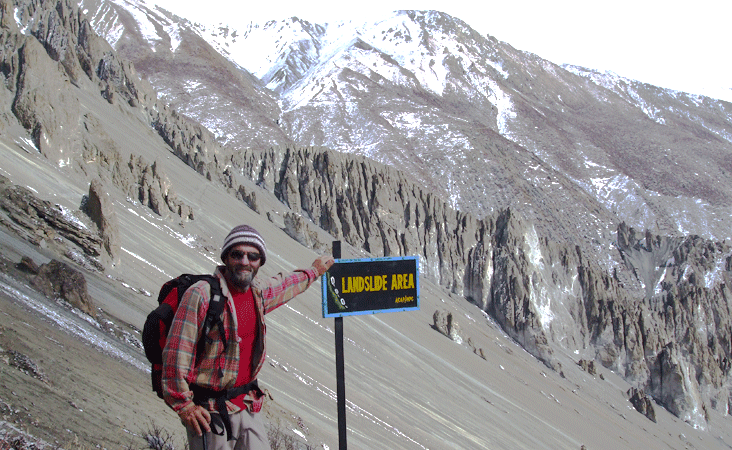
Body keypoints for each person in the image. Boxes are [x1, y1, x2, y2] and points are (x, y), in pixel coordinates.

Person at [161, 224, 334, 450]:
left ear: (260, 262)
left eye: (253, 256)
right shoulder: (201, 295)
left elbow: (284, 284)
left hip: (246, 404)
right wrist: (185, 407)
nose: (245, 261)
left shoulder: (257, 292)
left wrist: (314, 271)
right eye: (237, 254)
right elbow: (176, 354)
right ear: (226, 258)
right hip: (209, 410)